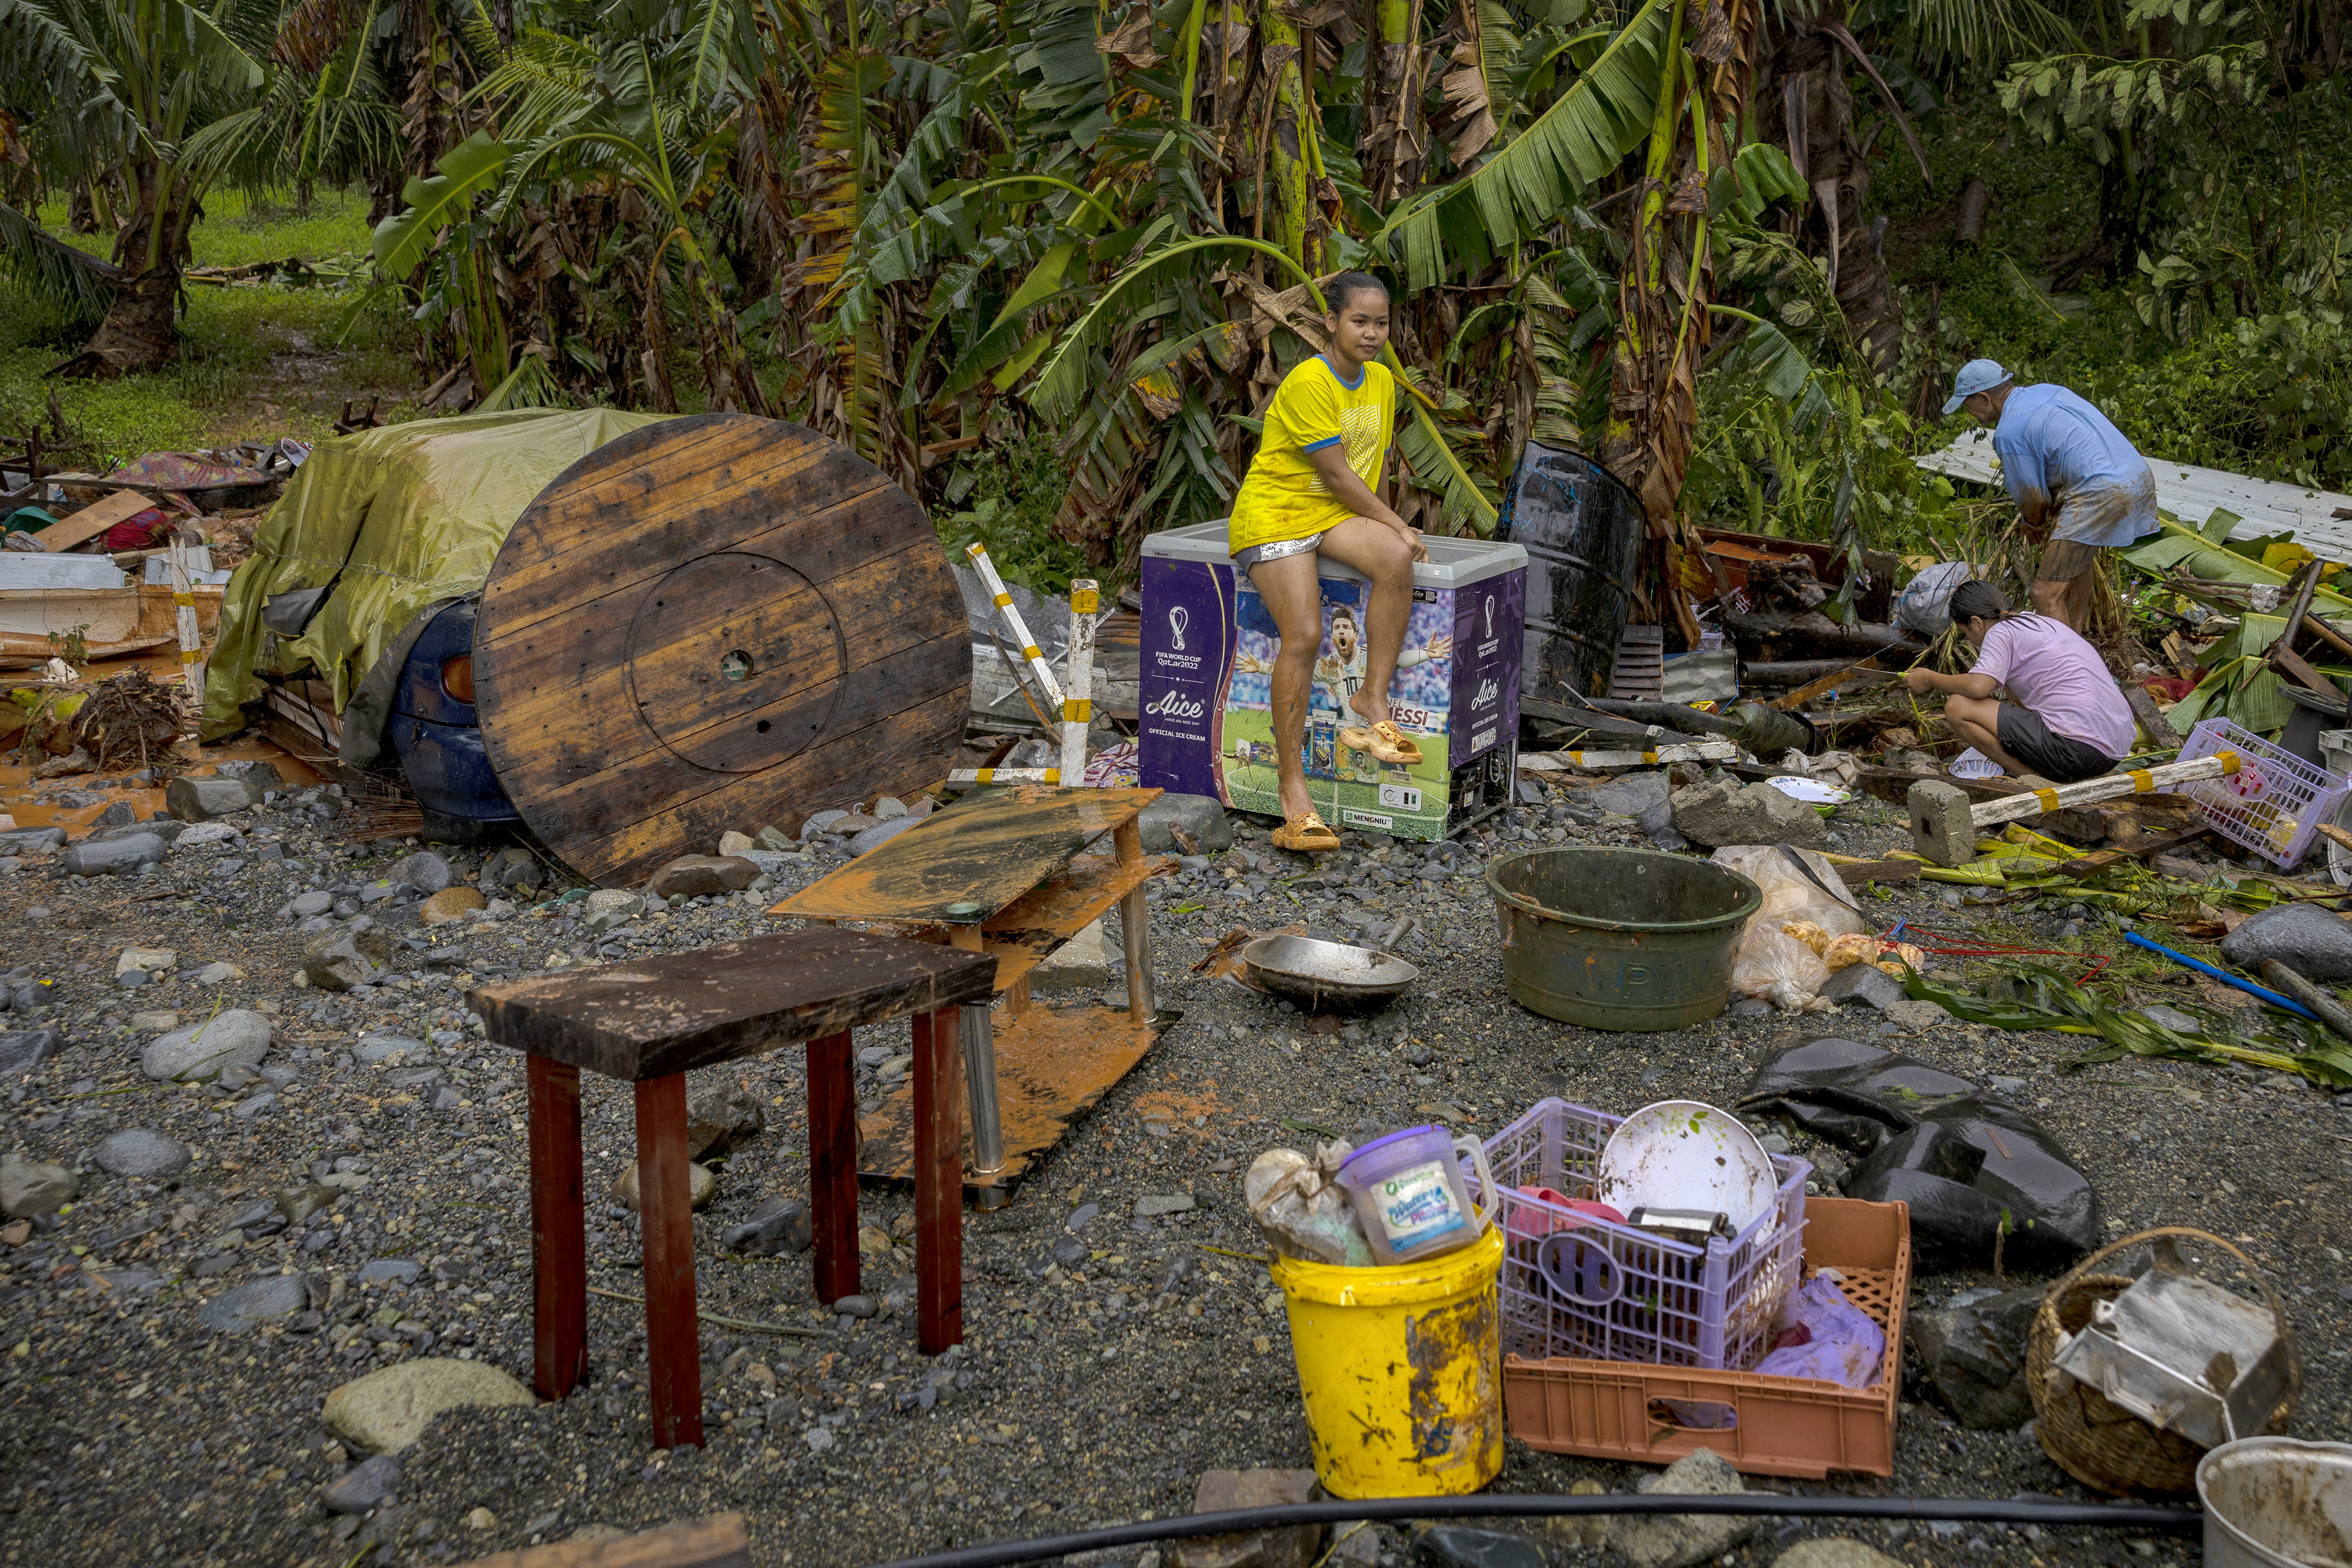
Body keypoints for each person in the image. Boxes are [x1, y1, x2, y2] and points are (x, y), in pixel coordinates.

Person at [1226, 271, 1422, 852]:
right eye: (1359, 322)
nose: (1370, 333)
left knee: (1392, 557)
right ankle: (1294, 794)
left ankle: (1371, 698)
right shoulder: (1311, 380)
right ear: (1332, 323)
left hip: (1332, 514)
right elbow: (1337, 475)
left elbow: (1372, 468)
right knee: (1306, 635)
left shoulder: (1382, 382)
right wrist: (1394, 520)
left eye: (1380, 323)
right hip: (1278, 512)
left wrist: (1386, 524)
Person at [1944, 358, 2159, 632]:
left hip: (2098, 492)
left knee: (2044, 594)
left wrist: (2032, 524)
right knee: (2074, 569)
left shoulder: (2009, 432)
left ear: (1984, 398)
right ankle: (2076, 641)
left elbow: (2033, 498)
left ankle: (2067, 671)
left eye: (1967, 404)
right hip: (2135, 475)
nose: (1968, 411)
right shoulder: (2049, 390)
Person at [1900, 580, 2134, 784]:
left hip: (2076, 752)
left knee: (1957, 706)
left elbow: (1978, 686)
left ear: (1976, 622)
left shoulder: (2000, 631)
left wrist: (1929, 678)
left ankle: (2033, 780)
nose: (1970, 640)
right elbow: (2013, 695)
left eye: (1965, 633)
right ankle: (2045, 772)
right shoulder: (2037, 622)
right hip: (2113, 751)